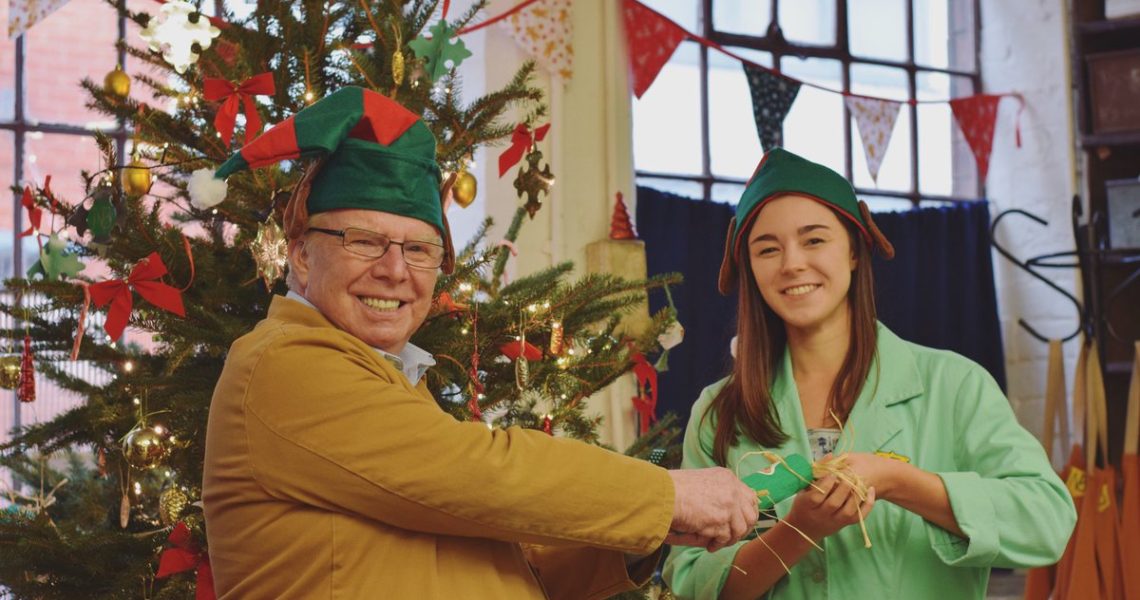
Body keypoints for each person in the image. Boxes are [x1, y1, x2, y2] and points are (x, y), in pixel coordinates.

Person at [201, 87, 760, 599]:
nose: (396, 271)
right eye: (365, 240)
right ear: (301, 253)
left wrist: (652, 532)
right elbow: (482, 472)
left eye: (420, 250)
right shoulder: (284, 363)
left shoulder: (389, 382)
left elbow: (513, 560)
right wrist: (667, 495)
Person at [662, 148, 1076, 600]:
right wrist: (798, 530)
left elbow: (1047, 523)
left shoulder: (955, 386)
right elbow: (693, 587)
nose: (792, 263)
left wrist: (902, 482)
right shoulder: (719, 413)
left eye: (814, 240)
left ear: (855, 251)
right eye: (768, 249)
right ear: (751, 269)